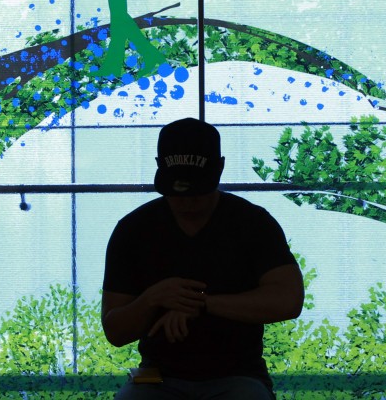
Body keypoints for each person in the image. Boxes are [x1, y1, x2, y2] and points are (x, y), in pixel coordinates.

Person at [102, 118, 304, 399]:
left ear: (220, 168)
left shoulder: (252, 223)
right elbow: (115, 331)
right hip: (159, 376)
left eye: (197, 190)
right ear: (158, 165)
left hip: (238, 375)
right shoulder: (134, 229)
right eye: (175, 190)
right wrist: (154, 298)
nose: (186, 200)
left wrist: (199, 303)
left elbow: (289, 301)